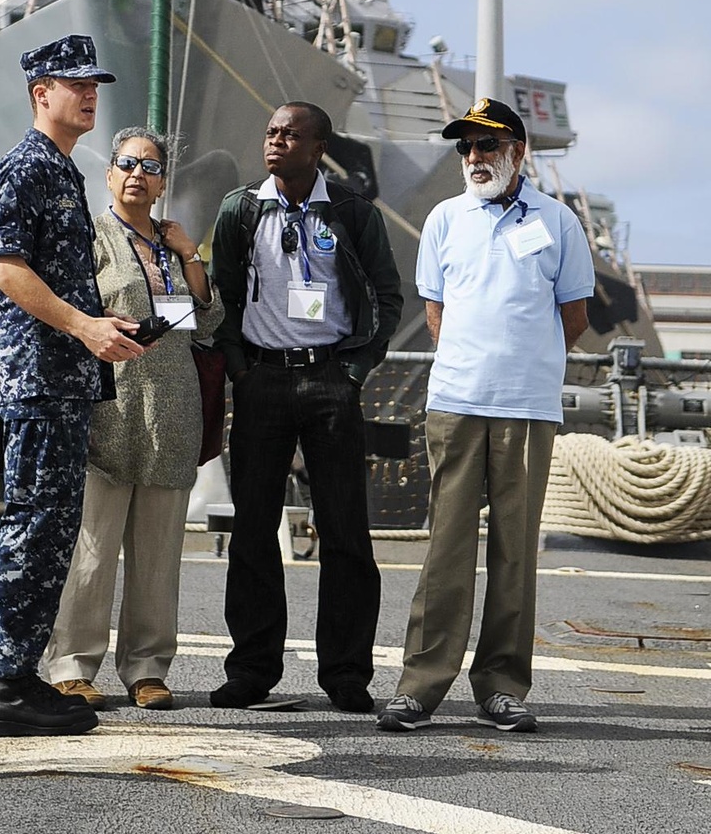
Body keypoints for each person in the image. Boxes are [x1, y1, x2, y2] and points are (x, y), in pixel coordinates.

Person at [379, 98, 594, 736]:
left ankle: (502, 686)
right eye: (466, 147)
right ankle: (420, 686)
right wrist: (472, 364)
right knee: (445, 547)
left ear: (518, 152)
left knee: (515, 551)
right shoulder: (445, 219)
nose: (474, 157)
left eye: (488, 146)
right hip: (455, 402)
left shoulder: (559, 223)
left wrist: (524, 364)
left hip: (527, 407)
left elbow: (575, 317)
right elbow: (436, 307)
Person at [209, 101, 402, 713]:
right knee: (252, 531)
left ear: (319, 146)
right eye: (270, 131)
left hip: (330, 382)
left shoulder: (351, 212)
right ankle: (252, 670)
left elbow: (387, 296)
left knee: (346, 531)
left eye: (290, 134)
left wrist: (353, 371)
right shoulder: (240, 209)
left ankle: (346, 675)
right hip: (262, 381)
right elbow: (225, 297)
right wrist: (240, 369)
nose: (276, 141)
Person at [0, 34, 147, 738]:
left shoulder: (61, 168)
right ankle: (11, 683)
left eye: (94, 83)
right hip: (40, 379)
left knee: (51, 531)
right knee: (33, 528)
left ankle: (21, 679)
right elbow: (5, 270)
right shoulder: (24, 168)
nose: (88, 93)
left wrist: (94, 319)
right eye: (73, 82)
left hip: (65, 379)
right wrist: (83, 325)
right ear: (38, 92)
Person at [46, 127, 224, 710]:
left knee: (158, 552)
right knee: (92, 547)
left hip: (171, 410)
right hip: (109, 407)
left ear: (162, 181)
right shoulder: (91, 237)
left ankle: (147, 667)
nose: (136, 175)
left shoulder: (173, 245)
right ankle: (73, 663)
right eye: (126, 164)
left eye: (149, 167)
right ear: (109, 174)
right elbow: (67, 310)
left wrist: (190, 254)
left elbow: (211, 318)